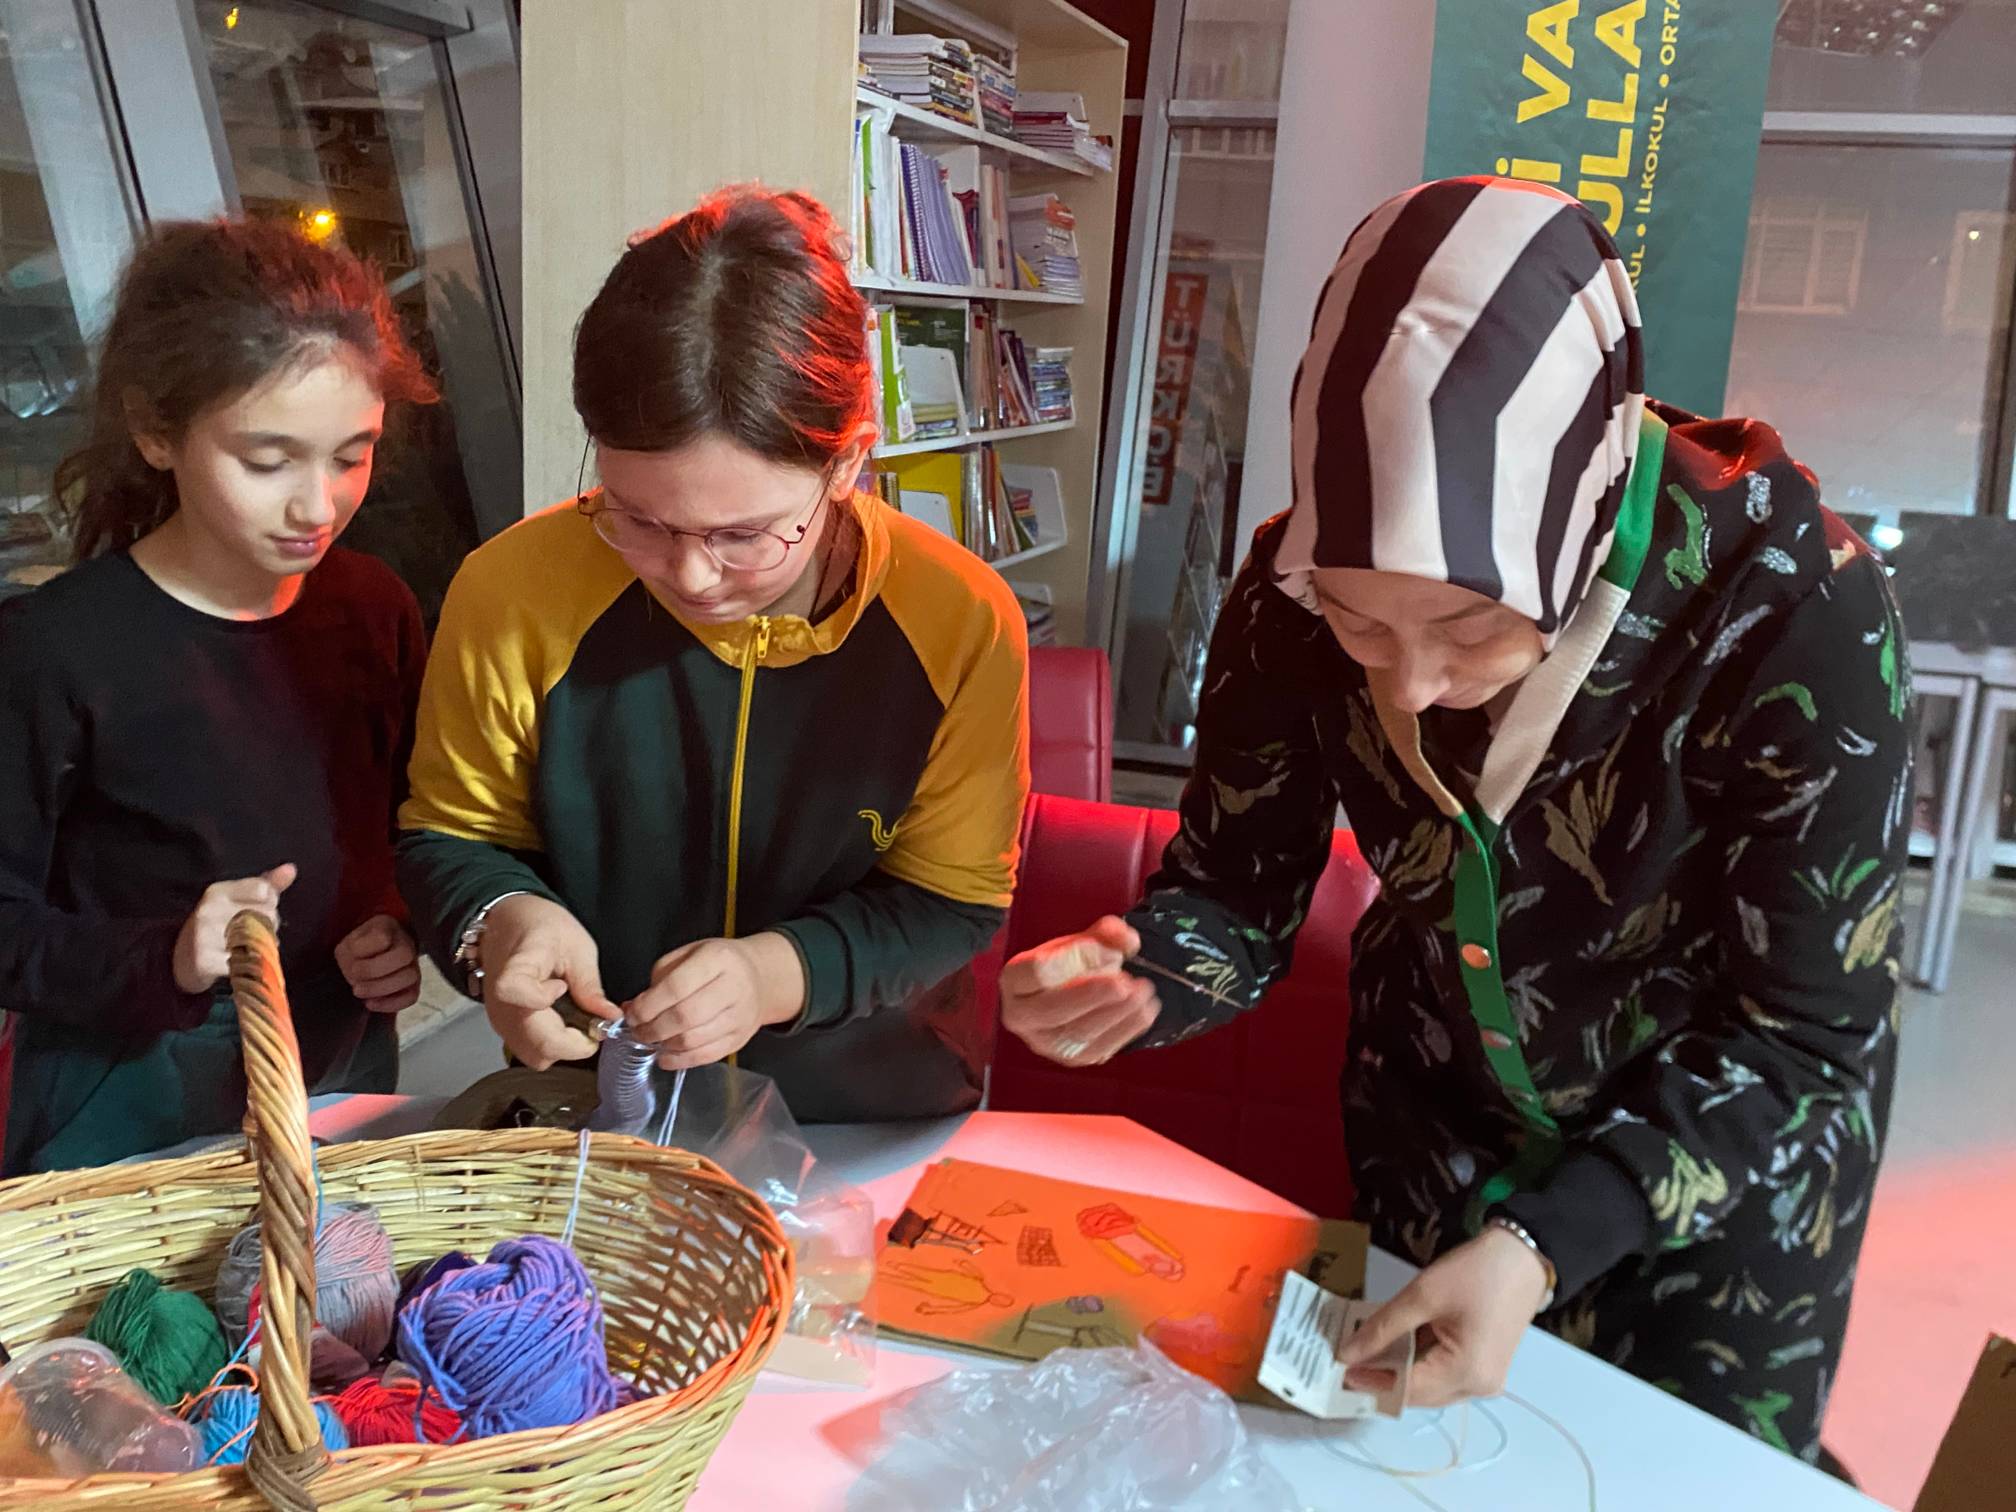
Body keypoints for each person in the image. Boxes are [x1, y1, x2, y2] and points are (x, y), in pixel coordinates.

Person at [1000, 177, 1909, 1471]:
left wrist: (1548, 1243)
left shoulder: (1791, 608)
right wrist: (1145, 973)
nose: (1408, 687)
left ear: (1586, 526)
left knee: (1665, 1478)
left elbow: (1805, 1033)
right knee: (1419, 1466)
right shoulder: (1285, 587)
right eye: (1362, 627)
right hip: (1435, 1121)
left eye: (1471, 630)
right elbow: (1237, 889)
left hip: (1715, 1177)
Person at [397, 187, 1029, 1121]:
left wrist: (777, 973)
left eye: (746, 534)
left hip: (868, 1103)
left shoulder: (959, 619)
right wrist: (501, 922)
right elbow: (450, 833)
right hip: (595, 1106)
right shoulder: (514, 589)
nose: (690, 576)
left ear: (848, 464)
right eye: (638, 519)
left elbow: (953, 901)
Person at [0, 220, 436, 1175]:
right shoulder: (56, 648)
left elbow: (404, 822)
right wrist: (166, 955)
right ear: (158, 430)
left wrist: (395, 922)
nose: (316, 506)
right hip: (126, 1076)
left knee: (328, 1309)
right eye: (267, 461)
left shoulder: (374, 607)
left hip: (332, 1047)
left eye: (350, 455)